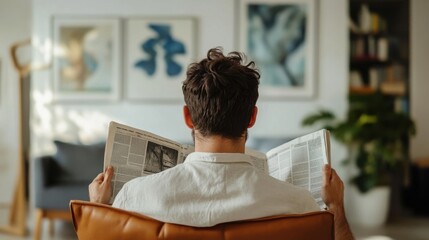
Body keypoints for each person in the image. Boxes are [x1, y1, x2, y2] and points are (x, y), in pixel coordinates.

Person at [89, 48, 354, 239]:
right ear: (252, 118)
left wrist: (98, 212)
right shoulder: (297, 203)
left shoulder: (135, 196)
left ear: (188, 117)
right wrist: (336, 208)